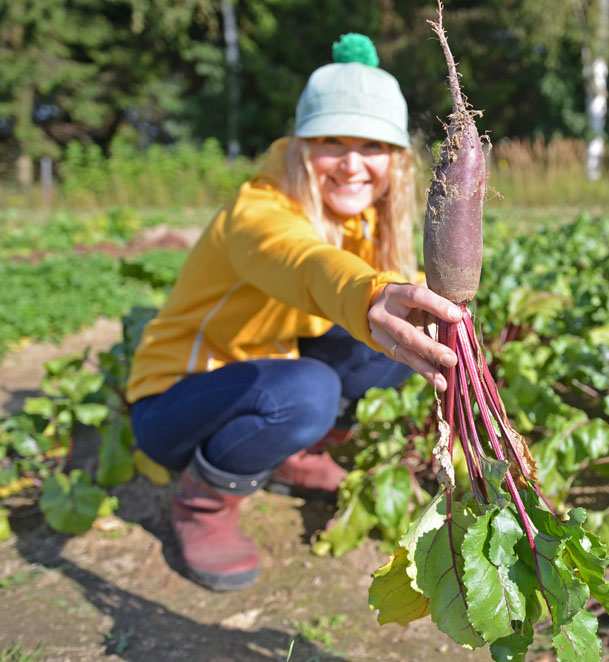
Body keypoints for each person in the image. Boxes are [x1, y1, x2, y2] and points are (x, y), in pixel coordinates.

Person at [125, 34, 461, 592]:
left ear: (396, 158)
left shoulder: (370, 220)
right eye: (333, 141)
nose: (354, 165)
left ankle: (286, 452)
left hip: (267, 375)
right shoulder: (258, 210)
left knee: (407, 333)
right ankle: (202, 503)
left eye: (373, 146)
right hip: (177, 402)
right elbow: (305, 263)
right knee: (307, 391)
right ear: (302, 144)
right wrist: (367, 295)